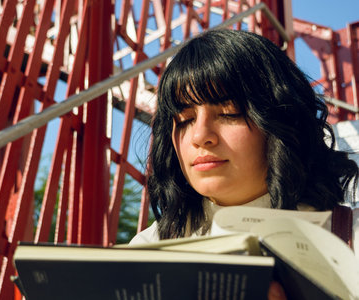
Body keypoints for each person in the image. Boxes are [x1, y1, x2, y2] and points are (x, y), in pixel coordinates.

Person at [129, 29, 359, 299]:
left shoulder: (349, 238)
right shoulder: (146, 249)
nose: (200, 136)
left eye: (228, 113)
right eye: (184, 119)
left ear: (281, 122)